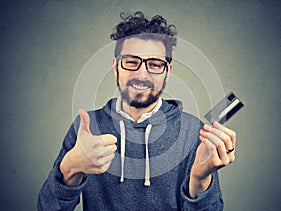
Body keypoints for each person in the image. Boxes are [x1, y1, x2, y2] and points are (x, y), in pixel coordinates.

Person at [38, 11, 236, 210]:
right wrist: (70, 167)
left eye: (155, 64)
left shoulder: (193, 131)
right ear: (116, 66)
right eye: (131, 62)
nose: (142, 74)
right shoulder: (87, 129)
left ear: (168, 72)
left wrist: (200, 179)